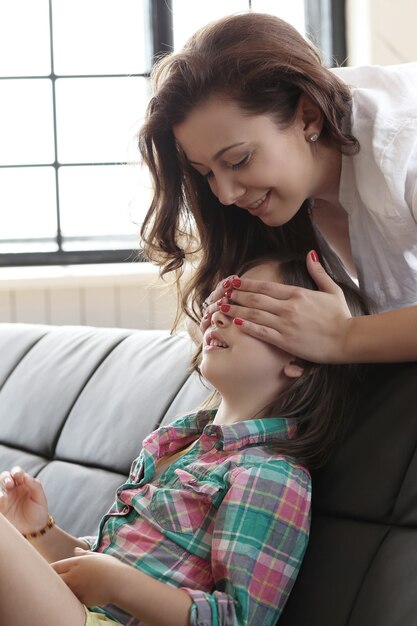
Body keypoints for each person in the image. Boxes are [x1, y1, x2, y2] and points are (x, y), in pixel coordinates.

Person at [0, 254, 369, 626]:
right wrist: (40, 530)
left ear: (302, 359)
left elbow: (239, 620)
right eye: (226, 300)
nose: (221, 315)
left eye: (250, 309)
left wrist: (118, 584)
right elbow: (99, 570)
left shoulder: (270, 475)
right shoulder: (177, 444)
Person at [138, 11, 417, 364]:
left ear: (308, 117)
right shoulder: (283, 194)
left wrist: (343, 337)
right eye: (206, 172)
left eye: (238, 160)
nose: (225, 195)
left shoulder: (405, 145)